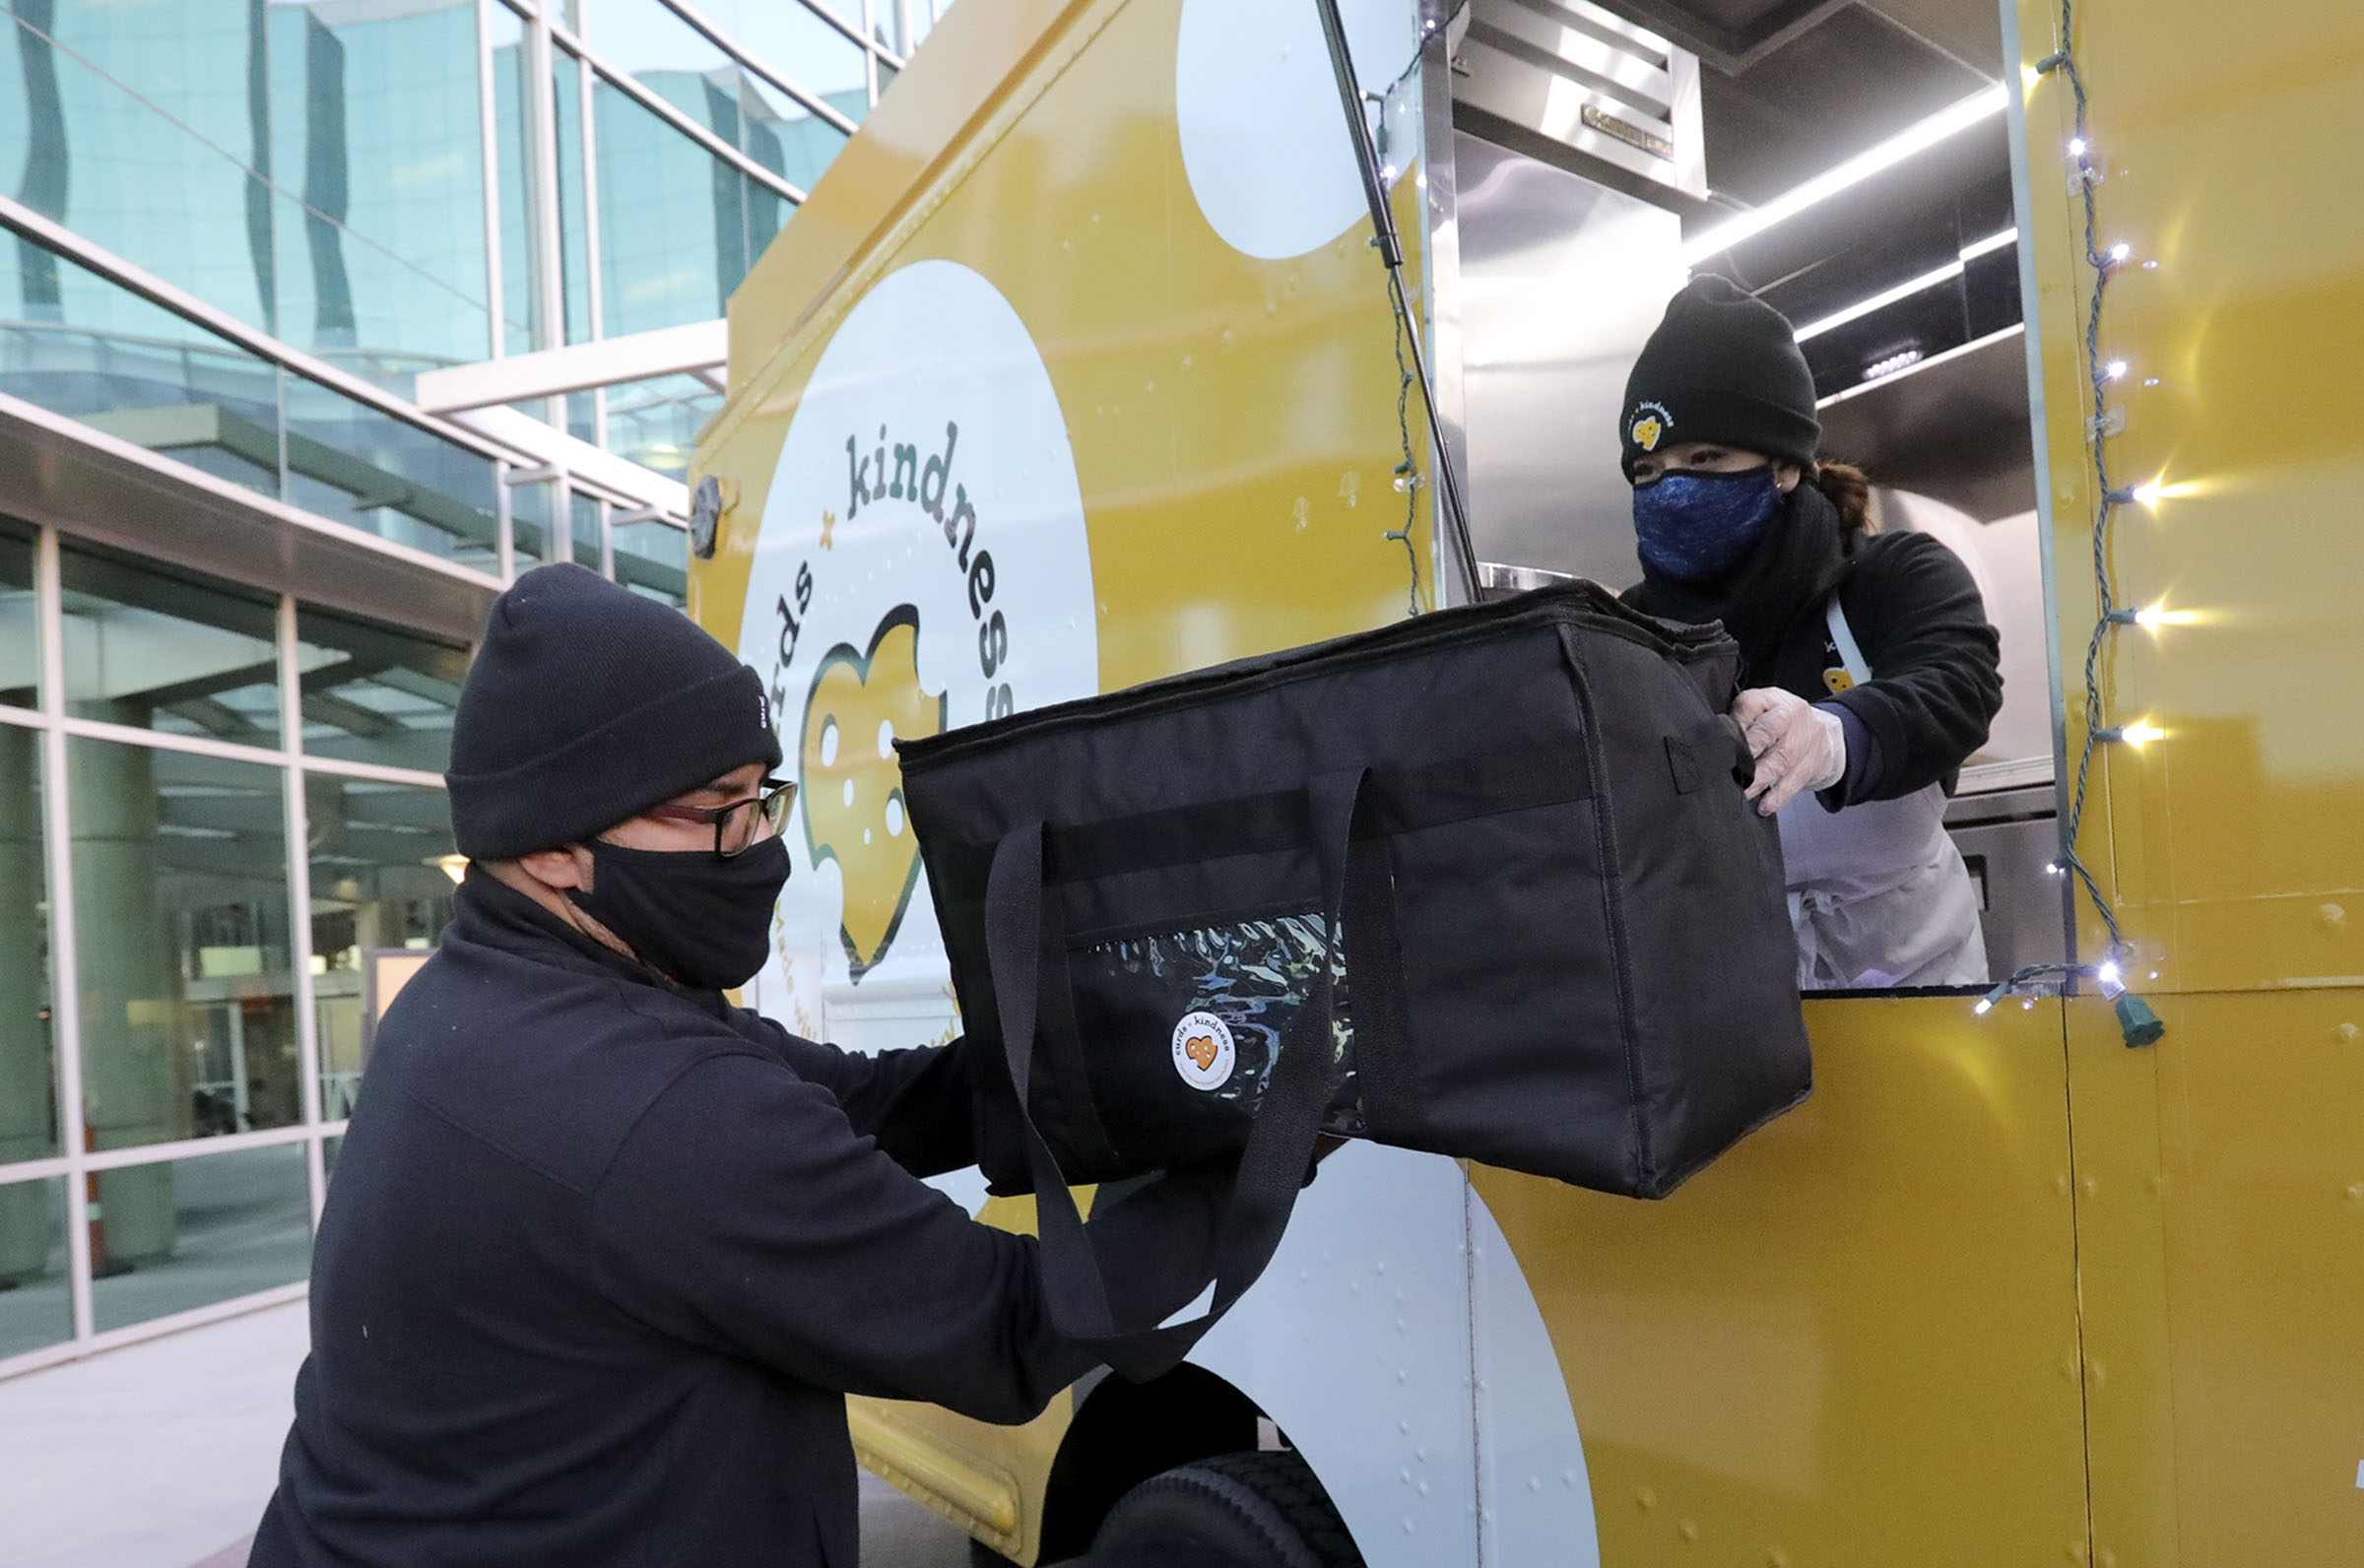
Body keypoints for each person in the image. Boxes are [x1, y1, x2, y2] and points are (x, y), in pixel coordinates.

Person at [247, 564, 1217, 1567]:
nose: (760, 849)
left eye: (763, 800)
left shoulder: (490, 999)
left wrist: (1147, 1055)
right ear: (551, 846)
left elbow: (871, 1101)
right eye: (719, 812)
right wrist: (1256, 1147)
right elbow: (1010, 1326)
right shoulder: (648, 1105)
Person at [1614, 276, 2003, 989]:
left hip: (1914, 983)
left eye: (1705, 460)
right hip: (1722, 994)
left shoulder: (1892, 574)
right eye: (1648, 470)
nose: (1671, 489)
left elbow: (1958, 687)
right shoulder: (1628, 630)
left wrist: (1831, 738)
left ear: (1785, 466)